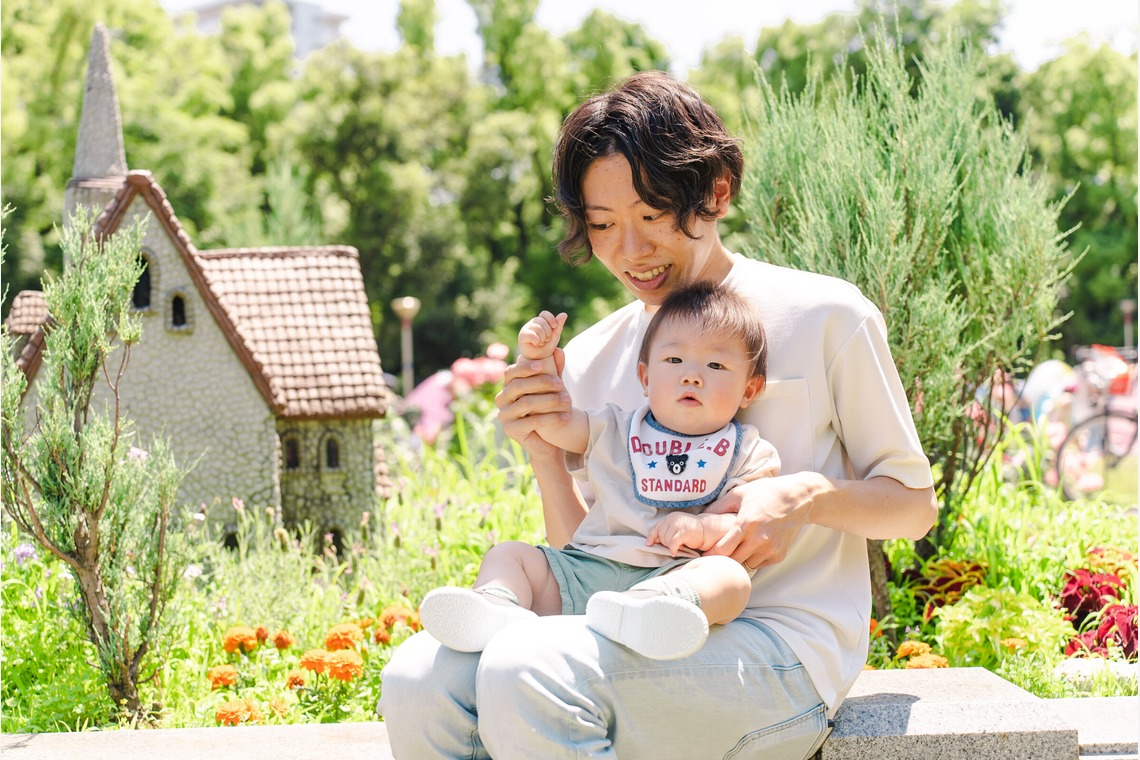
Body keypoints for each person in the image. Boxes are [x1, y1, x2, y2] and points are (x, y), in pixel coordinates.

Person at [379, 70, 937, 759]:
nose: (629, 252)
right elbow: (589, 552)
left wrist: (807, 497)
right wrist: (545, 452)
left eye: (650, 217)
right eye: (603, 224)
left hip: (781, 644)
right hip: (620, 625)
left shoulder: (826, 316)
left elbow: (913, 507)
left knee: (530, 667)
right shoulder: (593, 354)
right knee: (414, 677)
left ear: (716, 194)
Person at [418, 282, 780, 661]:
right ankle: (497, 607)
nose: (692, 376)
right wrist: (537, 362)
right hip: (582, 570)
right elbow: (555, 422)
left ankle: (648, 615)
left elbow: (746, 523)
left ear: (749, 390)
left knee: (731, 580)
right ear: (644, 377)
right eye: (674, 361)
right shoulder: (614, 428)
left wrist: (703, 528)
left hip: (671, 578)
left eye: (716, 365)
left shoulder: (748, 451)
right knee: (511, 555)